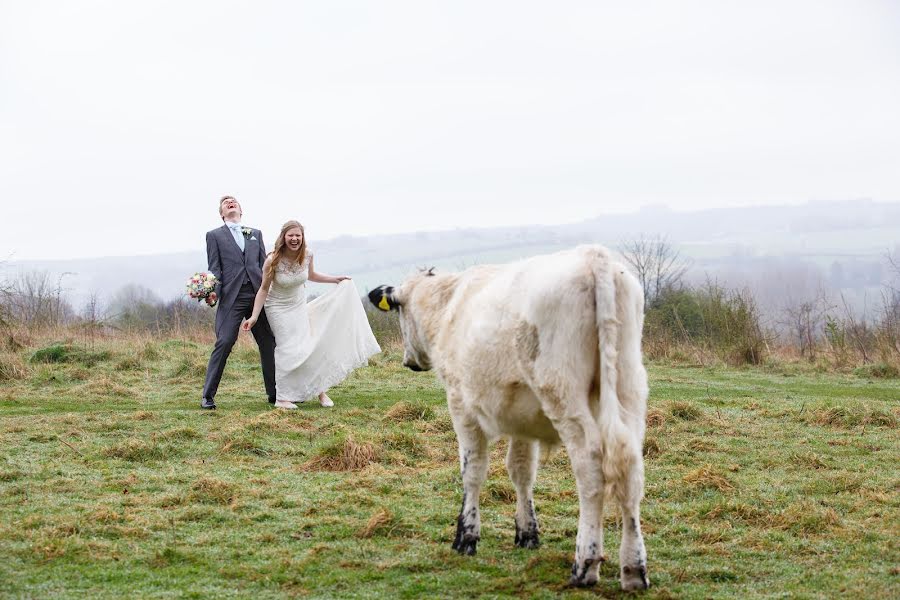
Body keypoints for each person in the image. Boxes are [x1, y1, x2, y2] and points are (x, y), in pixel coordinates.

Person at [242, 220, 381, 409]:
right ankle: (282, 398)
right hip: (277, 307)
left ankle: (320, 391)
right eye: (290, 235)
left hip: (298, 305)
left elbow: (312, 275)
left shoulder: (307, 255)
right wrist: (254, 316)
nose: (294, 238)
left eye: (298, 235)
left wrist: (335, 279)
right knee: (287, 348)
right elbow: (263, 290)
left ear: (302, 237)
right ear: (283, 237)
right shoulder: (272, 260)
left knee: (307, 347)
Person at [200, 196, 276, 409]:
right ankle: (207, 396)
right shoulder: (214, 236)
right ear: (222, 213)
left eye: (233, 201)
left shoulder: (255, 234)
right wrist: (212, 292)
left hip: (257, 295)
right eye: (226, 203)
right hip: (231, 297)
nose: (230, 202)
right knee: (224, 342)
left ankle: (274, 393)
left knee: (268, 343)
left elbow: (264, 265)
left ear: (241, 210)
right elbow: (215, 268)